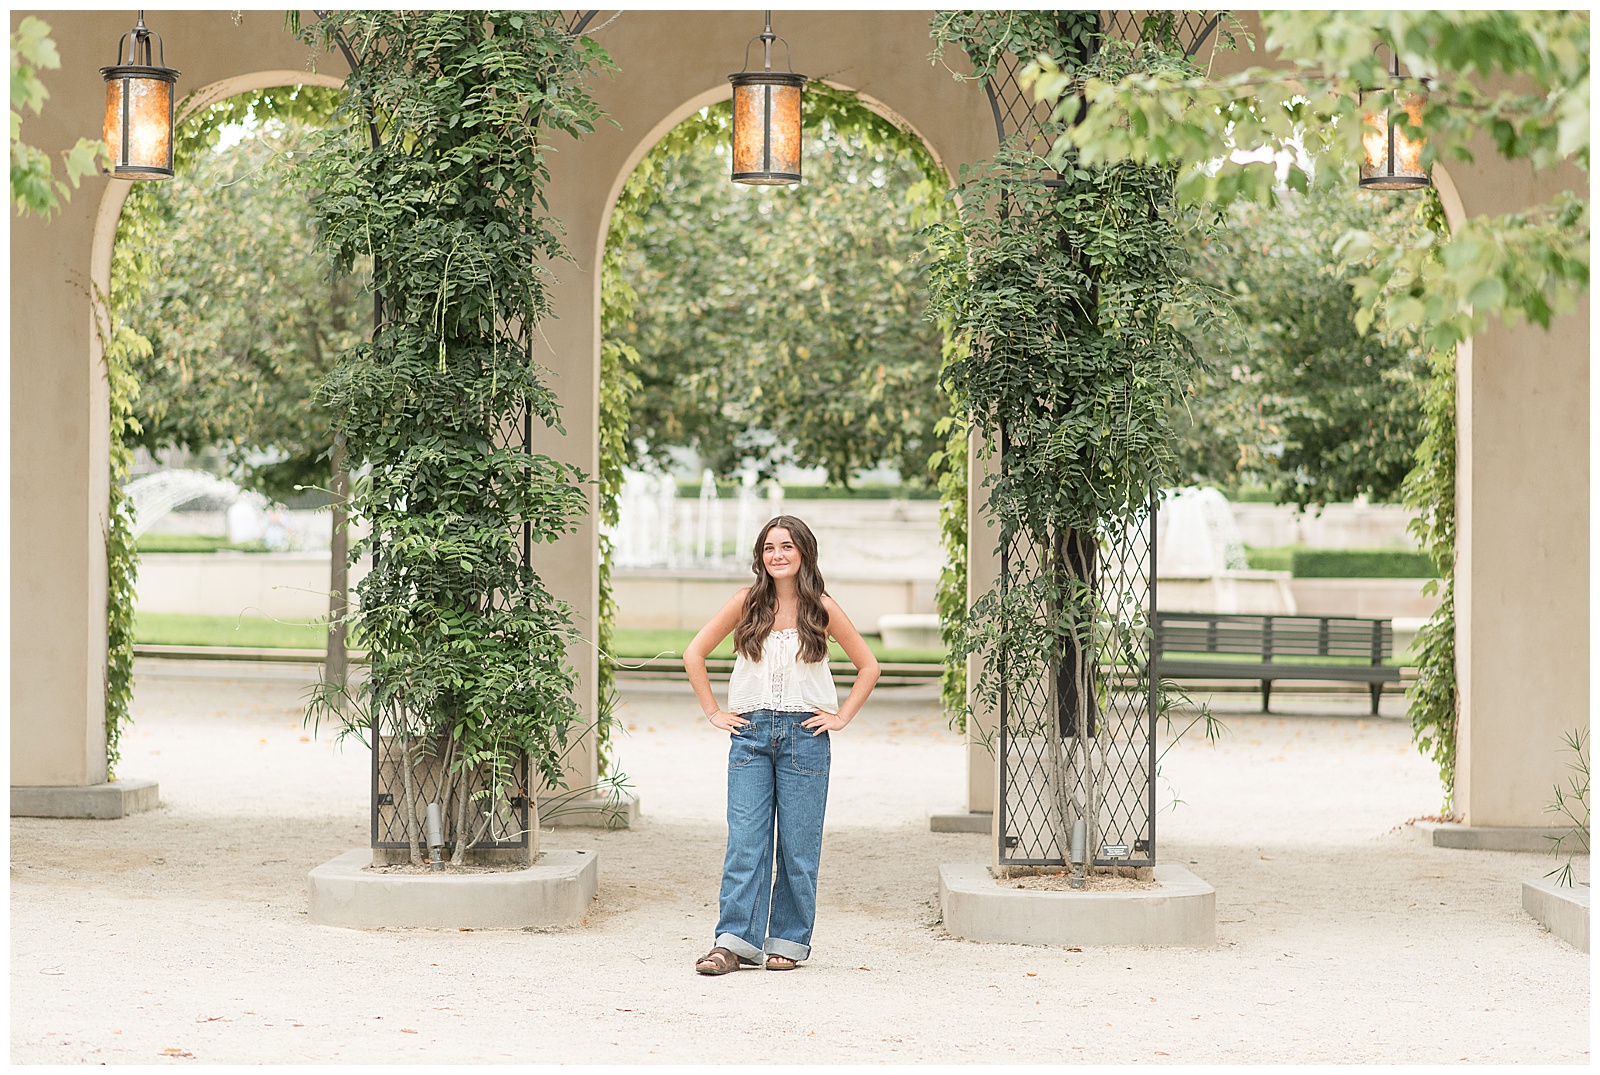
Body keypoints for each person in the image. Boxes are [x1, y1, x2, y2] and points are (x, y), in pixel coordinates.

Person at [683, 514, 880, 974]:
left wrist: (840, 716)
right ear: (760, 556)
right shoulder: (745, 603)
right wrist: (714, 712)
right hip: (749, 735)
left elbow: (868, 666)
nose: (778, 555)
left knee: (797, 846)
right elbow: (694, 653)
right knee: (746, 843)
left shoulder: (822, 609)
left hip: (805, 738)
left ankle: (787, 943)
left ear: (803, 553)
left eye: (787, 546)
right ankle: (732, 943)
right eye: (769, 547)